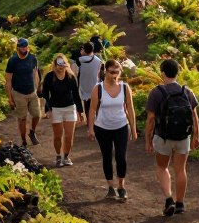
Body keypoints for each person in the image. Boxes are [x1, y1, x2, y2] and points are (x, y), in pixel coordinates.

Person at [145, 59, 199, 216]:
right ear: (177, 72)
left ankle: (169, 199)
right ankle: (180, 203)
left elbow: (150, 119)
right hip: (183, 137)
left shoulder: (156, 92)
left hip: (163, 137)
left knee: (162, 167)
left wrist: (148, 140)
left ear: (162, 73)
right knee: (180, 169)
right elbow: (194, 116)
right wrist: (196, 136)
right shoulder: (187, 91)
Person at [87, 59, 138, 200]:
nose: (115, 75)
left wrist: (133, 128)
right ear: (105, 72)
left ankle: (121, 186)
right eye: (111, 72)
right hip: (102, 127)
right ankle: (110, 186)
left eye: (117, 72)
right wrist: (90, 129)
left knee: (121, 157)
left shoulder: (124, 87)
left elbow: (130, 109)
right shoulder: (98, 88)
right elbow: (91, 110)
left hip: (121, 126)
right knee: (107, 156)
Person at [40, 53, 84, 168]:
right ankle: (58, 156)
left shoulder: (71, 77)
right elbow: (45, 93)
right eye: (58, 64)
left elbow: (76, 94)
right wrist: (47, 109)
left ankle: (66, 156)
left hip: (70, 108)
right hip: (56, 109)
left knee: (69, 135)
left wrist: (80, 111)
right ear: (54, 65)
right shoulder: (50, 77)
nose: (60, 67)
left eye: (62, 64)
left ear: (66, 64)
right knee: (57, 135)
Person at [5, 37, 41, 147]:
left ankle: (32, 132)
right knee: (22, 118)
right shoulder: (13, 61)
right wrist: (10, 98)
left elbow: (35, 74)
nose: (24, 49)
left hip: (31, 92)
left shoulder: (32, 58)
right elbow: (8, 80)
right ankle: (23, 140)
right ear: (18, 48)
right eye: (22, 47)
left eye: (25, 47)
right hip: (18, 93)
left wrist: (38, 88)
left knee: (37, 115)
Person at [76, 42, 102, 119]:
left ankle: (89, 120)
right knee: (96, 105)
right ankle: (98, 120)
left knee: (87, 105)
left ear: (84, 50)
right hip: (95, 85)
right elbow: (99, 74)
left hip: (84, 86)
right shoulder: (98, 60)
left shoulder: (79, 60)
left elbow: (76, 71)